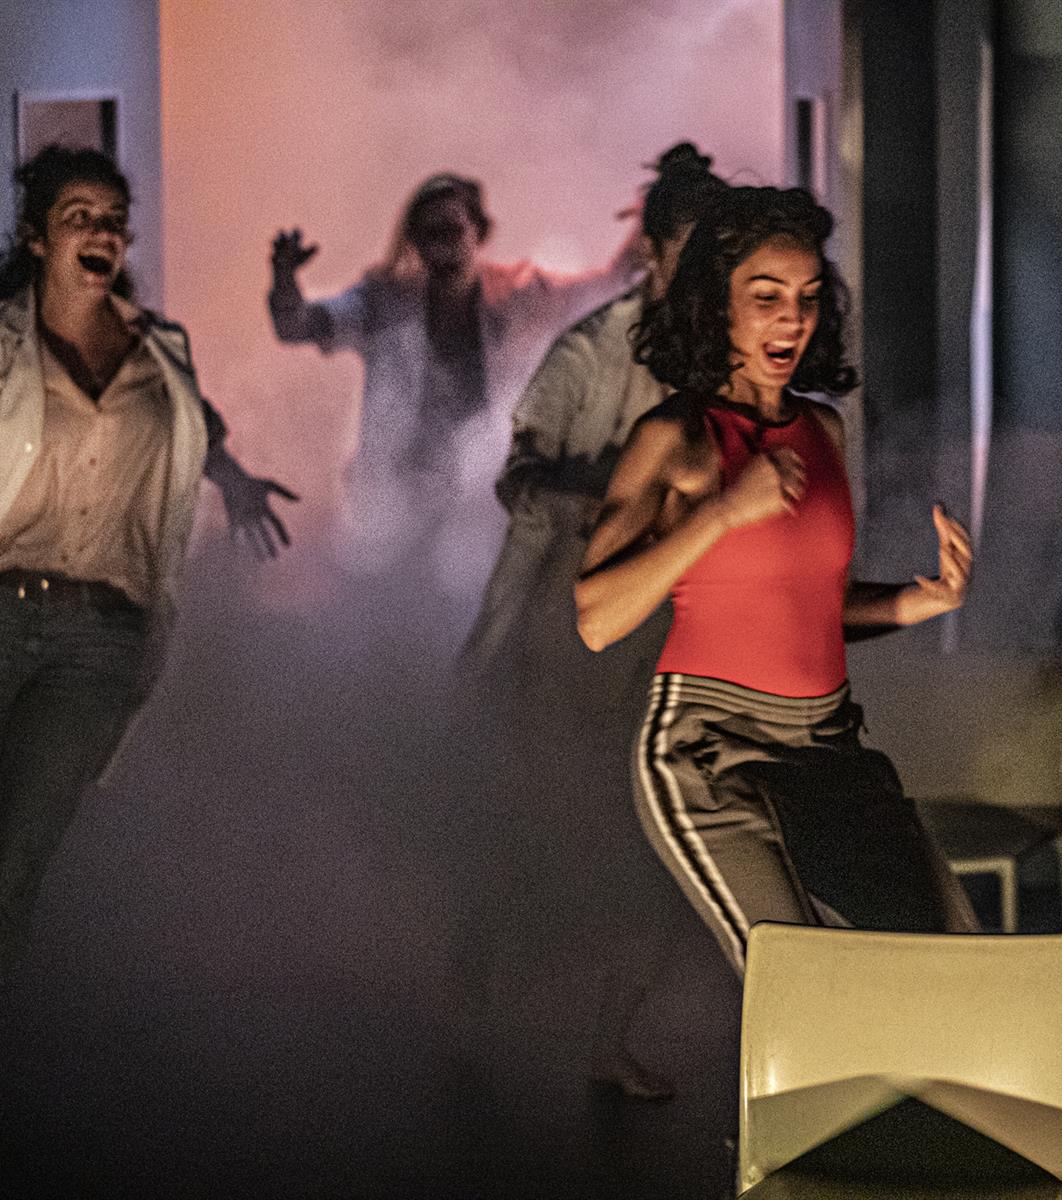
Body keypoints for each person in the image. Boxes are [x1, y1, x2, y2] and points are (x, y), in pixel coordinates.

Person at [0, 145, 278, 1159]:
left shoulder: (163, 351)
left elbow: (196, 430)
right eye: (79, 215)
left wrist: (236, 481)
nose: (102, 232)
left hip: (98, 639)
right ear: (37, 237)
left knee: (14, 867)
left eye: (113, 217)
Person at [576, 185, 979, 985]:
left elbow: (808, 606)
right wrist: (723, 511)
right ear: (717, 307)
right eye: (766, 299)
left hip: (828, 744)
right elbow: (595, 616)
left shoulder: (821, 428)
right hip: (711, 751)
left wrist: (917, 600)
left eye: (807, 298)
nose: (792, 321)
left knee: (942, 965)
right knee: (798, 981)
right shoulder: (675, 437)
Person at [460, 143, 727, 1101]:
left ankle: (612, 1038)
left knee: (662, 838)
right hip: (583, 626)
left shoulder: (736, 351)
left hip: (692, 629)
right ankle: (478, 1006)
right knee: (549, 819)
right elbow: (521, 475)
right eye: (692, 251)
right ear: (652, 251)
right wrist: (624, 493)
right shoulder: (592, 350)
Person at [268, 173, 641, 595]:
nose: (443, 246)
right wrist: (284, 281)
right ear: (415, 243)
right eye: (430, 234)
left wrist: (649, 223)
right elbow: (297, 326)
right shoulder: (383, 302)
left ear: (478, 232)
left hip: (479, 511)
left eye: (452, 231)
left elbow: (605, 289)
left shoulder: (519, 295)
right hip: (391, 509)